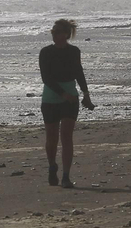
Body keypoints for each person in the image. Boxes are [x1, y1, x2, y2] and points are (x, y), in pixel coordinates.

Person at [39, 18, 94, 188]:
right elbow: (46, 78)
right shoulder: (45, 52)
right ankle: (52, 166)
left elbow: (79, 72)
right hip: (51, 97)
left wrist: (86, 94)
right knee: (52, 137)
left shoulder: (74, 51)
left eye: (57, 32)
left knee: (67, 137)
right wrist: (62, 94)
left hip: (71, 97)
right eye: (52, 32)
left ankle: (66, 176)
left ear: (66, 35)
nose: (54, 35)